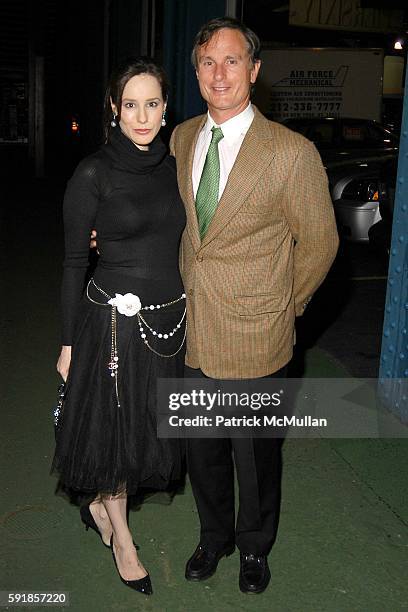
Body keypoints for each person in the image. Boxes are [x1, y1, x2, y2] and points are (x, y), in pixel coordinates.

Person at [169, 17, 339, 594]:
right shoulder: (182, 137)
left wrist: (282, 307)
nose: (220, 74)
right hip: (193, 329)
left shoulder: (291, 153)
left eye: (232, 61)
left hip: (257, 336)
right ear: (196, 74)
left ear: (255, 70)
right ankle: (213, 536)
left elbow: (320, 242)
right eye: (208, 63)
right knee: (202, 450)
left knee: (255, 459)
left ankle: (253, 548)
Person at [52, 57, 186, 596]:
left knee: (141, 434)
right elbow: (71, 263)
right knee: (113, 437)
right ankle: (123, 538)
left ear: (165, 106)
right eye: (130, 104)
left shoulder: (175, 164)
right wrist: (67, 343)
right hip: (111, 328)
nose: (142, 116)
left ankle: (103, 509)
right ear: (114, 108)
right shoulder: (93, 172)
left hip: (167, 325)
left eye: (152, 103)